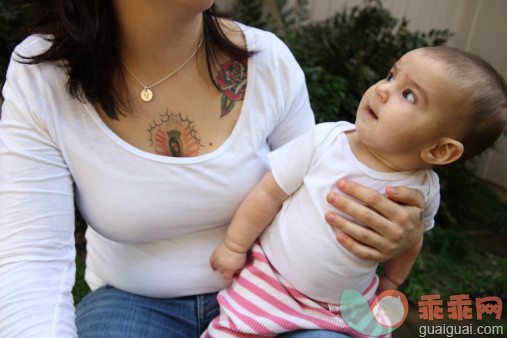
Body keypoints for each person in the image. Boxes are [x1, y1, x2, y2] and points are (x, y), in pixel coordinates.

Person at [0, 1, 427, 337]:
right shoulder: (43, 76)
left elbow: (320, 188)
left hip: (285, 297)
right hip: (133, 298)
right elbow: (30, 260)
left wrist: (404, 233)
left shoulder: (270, 62)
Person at [204, 46, 507, 337]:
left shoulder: (424, 189)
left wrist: (390, 281)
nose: (382, 89)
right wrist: (234, 246)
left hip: (348, 305)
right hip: (271, 283)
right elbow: (269, 194)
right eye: (391, 76)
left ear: (439, 150)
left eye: (409, 95)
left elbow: (411, 242)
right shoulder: (327, 142)